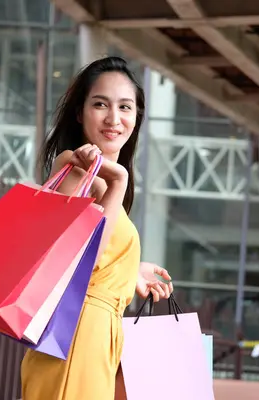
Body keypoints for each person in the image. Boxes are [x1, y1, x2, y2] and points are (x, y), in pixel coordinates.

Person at [20, 56, 174, 399]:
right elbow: (75, 257)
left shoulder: (104, 176)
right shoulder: (74, 167)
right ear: (80, 112)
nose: (113, 119)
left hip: (97, 336)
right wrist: (117, 181)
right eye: (100, 104)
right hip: (75, 336)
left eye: (125, 107)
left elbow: (99, 253)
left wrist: (130, 269)